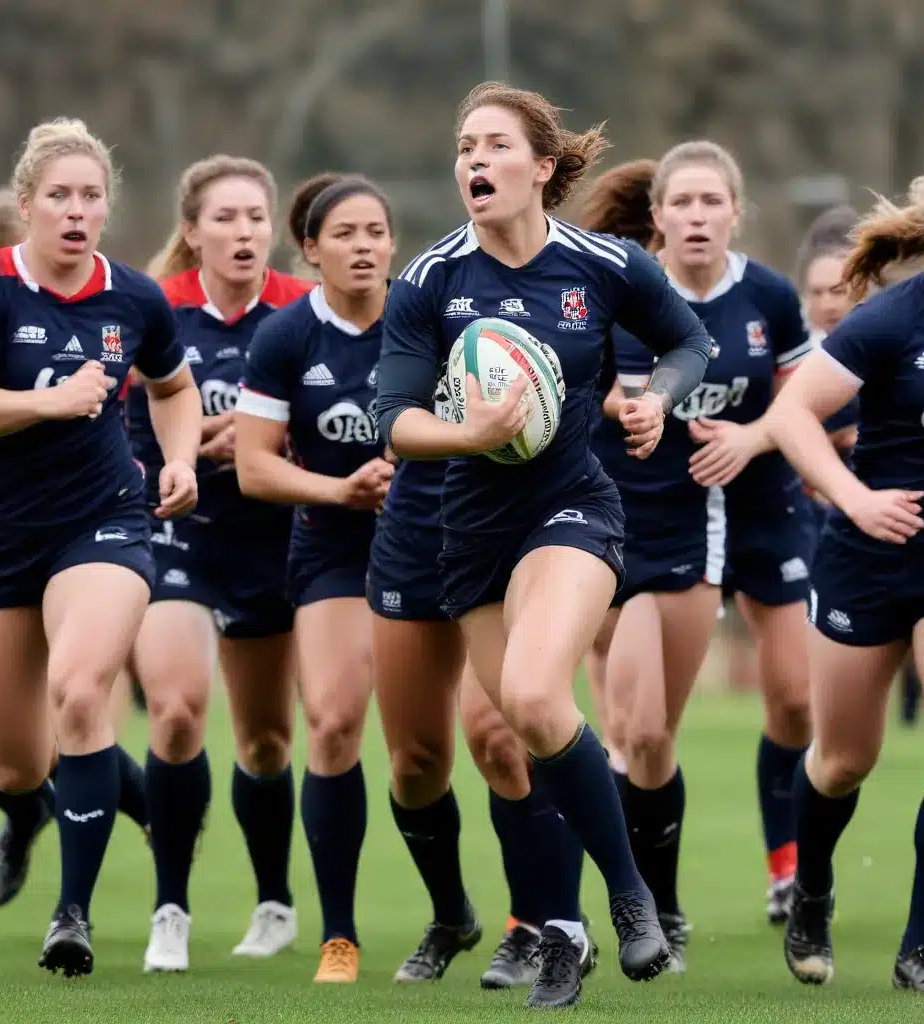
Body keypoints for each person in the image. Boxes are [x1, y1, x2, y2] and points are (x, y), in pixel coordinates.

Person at [374, 81, 712, 1008]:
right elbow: (392, 421)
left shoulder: (601, 265)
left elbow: (690, 344)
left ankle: (632, 897)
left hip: (572, 510)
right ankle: (561, 931)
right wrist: (469, 435)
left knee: (532, 691)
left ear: (543, 165)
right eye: (462, 145)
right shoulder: (432, 279)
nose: (473, 161)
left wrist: (656, 398)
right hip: (469, 532)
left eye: (494, 144)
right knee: (506, 734)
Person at [766, 154, 924, 993]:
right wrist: (854, 499)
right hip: (867, 563)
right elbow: (790, 416)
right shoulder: (891, 323)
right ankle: (813, 893)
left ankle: (918, 948)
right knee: (843, 758)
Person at [0, 118, 200, 976]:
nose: (77, 213)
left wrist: (178, 456)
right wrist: (50, 401)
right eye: (59, 197)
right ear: (27, 204)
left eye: (92, 197)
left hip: (104, 519)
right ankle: (51, 805)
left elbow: (173, 388)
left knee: (81, 693)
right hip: (2, 532)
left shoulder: (137, 298)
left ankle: (70, 917)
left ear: (107, 207)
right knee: (11, 761)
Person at [583, 144, 815, 943]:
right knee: (635, 729)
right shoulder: (621, 288)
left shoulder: (770, 299)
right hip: (623, 514)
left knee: (784, 698)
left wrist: (752, 439)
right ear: (658, 216)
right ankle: (649, 904)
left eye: (711, 202)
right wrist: (630, 407)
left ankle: (777, 871)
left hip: (734, 506)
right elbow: (584, 385)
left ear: (735, 212)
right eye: (681, 203)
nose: (696, 217)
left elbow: (801, 403)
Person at [368, 291, 595, 991]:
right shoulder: (420, 301)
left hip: (508, 532)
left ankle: (540, 925)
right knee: (414, 762)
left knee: (502, 736)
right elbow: (390, 427)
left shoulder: (574, 288)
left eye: (378, 231)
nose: (368, 247)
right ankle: (450, 915)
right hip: (417, 534)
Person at [128, 156, 313, 972]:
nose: (243, 233)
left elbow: (341, 420)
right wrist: (176, 451)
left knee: (268, 740)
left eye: (256, 218)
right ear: (193, 231)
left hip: (274, 538)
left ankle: (274, 902)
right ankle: (170, 908)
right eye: (226, 219)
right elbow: (113, 426)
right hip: (178, 531)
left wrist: (269, 439)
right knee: (174, 711)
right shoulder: (155, 311)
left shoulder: (301, 312)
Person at [234, 173, 395, 984]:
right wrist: (340, 489)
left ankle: (504, 919)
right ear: (311, 251)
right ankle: (340, 936)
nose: (363, 246)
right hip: (333, 548)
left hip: (437, 546)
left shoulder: (428, 323)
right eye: (345, 234)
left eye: (376, 231)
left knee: (464, 743)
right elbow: (255, 468)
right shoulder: (288, 336)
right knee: (331, 722)